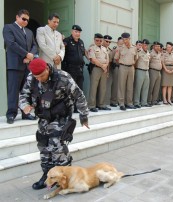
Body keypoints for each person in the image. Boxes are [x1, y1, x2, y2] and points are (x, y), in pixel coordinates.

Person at [19, 58, 89, 190]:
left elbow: (79, 96)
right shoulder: (31, 78)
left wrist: (84, 116)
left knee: (57, 147)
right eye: (36, 77)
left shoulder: (63, 77)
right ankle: (47, 176)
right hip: (44, 117)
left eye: (42, 76)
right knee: (44, 147)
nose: (39, 79)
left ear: (47, 68)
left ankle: (65, 178)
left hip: (61, 117)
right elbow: (23, 95)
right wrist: (25, 105)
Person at [3, 9, 38, 124]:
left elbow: (34, 45)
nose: (25, 21)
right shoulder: (8, 28)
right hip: (14, 65)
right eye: (23, 19)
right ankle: (11, 114)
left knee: (26, 91)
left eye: (27, 20)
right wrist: (26, 54)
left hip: (27, 65)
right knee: (13, 91)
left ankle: (26, 113)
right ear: (17, 17)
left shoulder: (29, 32)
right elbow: (11, 44)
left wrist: (30, 56)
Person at [114, 32, 138, 111]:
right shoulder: (120, 48)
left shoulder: (134, 48)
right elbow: (116, 58)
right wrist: (122, 63)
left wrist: (132, 63)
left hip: (131, 68)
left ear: (129, 39)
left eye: (126, 39)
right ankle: (121, 103)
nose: (125, 41)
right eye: (123, 39)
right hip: (123, 67)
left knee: (130, 86)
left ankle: (129, 103)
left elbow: (136, 58)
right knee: (121, 85)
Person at [88, 33, 110, 112]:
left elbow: (107, 59)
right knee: (94, 87)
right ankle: (91, 105)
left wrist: (106, 65)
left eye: (101, 40)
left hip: (104, 69)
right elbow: (93, 59)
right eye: (97, 40)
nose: (99, 42)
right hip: (96, 69)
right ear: (94, 40)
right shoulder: (92, 48)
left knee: (103, 87)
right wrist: (102, 66)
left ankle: (101, 104)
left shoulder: (104, 48)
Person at [62, 25, 87, 91]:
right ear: (72, 31)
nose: (77, 34)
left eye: (79, 32)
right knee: (70, 89)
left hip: (80, 70)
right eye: (76, 32)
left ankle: (79, 101)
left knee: (79, 89)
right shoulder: (66, 41)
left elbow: (83, 53)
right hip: (70, 69)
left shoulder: (81, 42)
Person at [134, 39, 151, 108]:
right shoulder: (139, 52)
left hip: (146, 70)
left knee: (145, 87)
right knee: (138, 87)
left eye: (147, 45)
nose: (146, 46)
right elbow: (135, 60)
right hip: (140, 70)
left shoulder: (148, 53)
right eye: (144, 45)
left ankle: (144, 102)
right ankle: (136, 102)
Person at [110, 37, 124, 107]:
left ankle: (120, 100)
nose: (121, 44)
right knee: (115, 85)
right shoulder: (115, 49)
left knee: (121, 85)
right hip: (116, 67)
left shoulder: (125, 49)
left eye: (122, 43)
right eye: (120, 43)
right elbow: (111, 58)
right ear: (117, 42)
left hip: (123, 68)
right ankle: (113, 101)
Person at [148, 41, 162, 106]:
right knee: (151, 86)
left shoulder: (160, 53)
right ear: (153, 46)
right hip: (152, 71)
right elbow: (148, 62)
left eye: (159, 46)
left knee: (157, 87)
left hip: (158, 72)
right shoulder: (150, 53)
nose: (158, 47)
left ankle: (154, 100)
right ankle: (149, 100)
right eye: (156, 46)